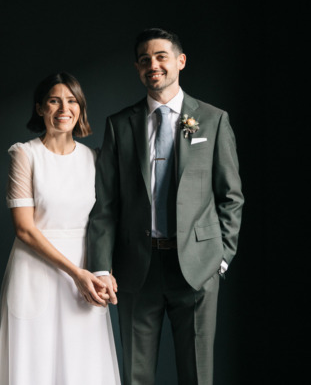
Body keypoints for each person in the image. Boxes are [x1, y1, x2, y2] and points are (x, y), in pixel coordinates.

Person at [88, 28, 244, 385]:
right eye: (145, 60)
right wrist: (100, 267)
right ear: (138, 68)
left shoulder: (213, 119)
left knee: (197, 374)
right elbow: (106, 204)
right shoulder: (119, 125)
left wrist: (221, 257)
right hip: (136, 268)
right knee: (136, 376)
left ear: (180, 61)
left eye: (161, 57)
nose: (153, 65)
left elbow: (231, 196)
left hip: (197, 266)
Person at [0, 72, 121, 385]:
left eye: (72, 100)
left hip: (86, 276)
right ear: (40, 109)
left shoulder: (95, 159)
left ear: (81, 108)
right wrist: (76, 273)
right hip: (35, 271)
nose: (64, 108)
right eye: (54, 100)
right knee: (33, 364)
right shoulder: (25, 154)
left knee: (83, 366)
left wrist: (101, 272)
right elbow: (24, 229)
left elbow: (104, 221)